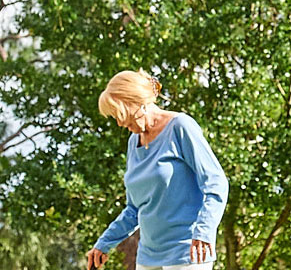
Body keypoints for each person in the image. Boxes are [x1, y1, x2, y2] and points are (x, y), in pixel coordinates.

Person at [85, 71, 228, 270]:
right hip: (148, 257)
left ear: (137, 103)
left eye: (122, 115)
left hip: (188, 252)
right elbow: (134, 209)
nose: (120, 123)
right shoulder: (133, 142)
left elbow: (216, 183)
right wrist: (104, 243)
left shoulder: (180, 127)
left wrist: (204, 231)